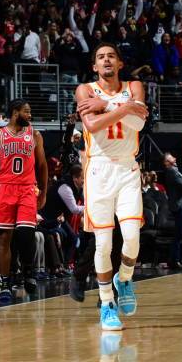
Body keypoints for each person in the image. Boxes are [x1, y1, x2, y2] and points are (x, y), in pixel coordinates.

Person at [75, 43, 148, 331]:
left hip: (127, 168)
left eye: (111, 56)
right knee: (103, 244)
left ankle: (125, 278)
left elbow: (139, 124)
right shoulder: (85, 90)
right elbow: (92, 126)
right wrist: (126, 108)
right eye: (100, 57)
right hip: (99, 170)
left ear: (119, 63)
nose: (106, 60)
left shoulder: (134, 85)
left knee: (132, 238)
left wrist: (106, 104)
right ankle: (107, 304)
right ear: (95, 66)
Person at [0, 99, 47, 302]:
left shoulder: (35, 135)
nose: (30, 116)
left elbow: (42, 166)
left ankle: (28, 271)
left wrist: (44, 192)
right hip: (5, 189)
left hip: (26, 189)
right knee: (4, 238)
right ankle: (5, 282)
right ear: (15, 113)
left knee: (26, 232)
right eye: (27, 112)